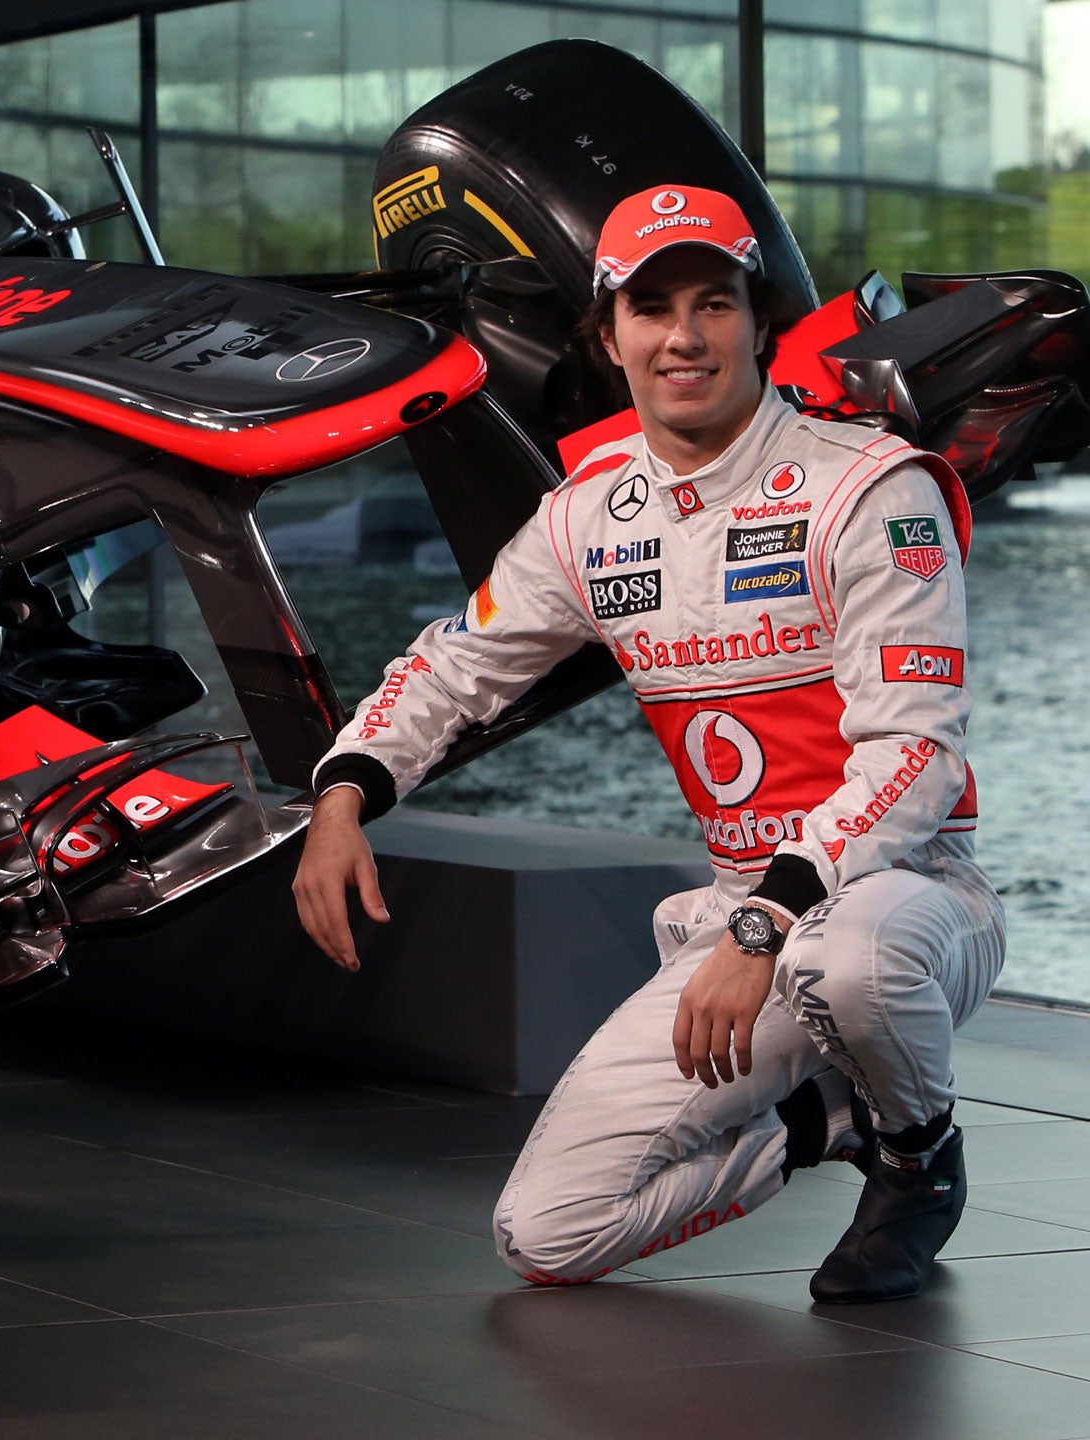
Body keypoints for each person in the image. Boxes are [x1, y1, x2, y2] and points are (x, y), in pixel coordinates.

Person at [293, 184, 1004, 1303]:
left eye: (712, 304)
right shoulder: (587, 513)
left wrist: (766, 918)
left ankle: (917, 1157)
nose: (682, 336)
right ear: (608, 334)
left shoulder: (869, 490)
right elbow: (452, 664)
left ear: (756, 321)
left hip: (905, 898)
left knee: (847, 957)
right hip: (744, 916)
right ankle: (825, 1122)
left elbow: (914, 754)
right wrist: (341, 798)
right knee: (546, 1234)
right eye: (650, 307)